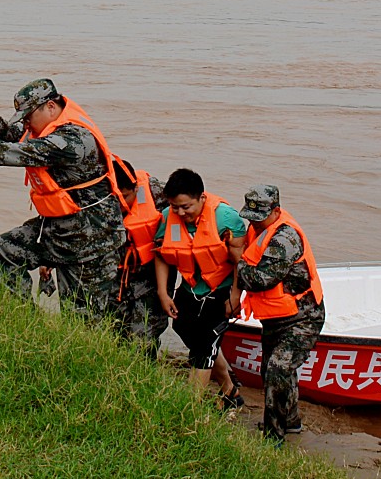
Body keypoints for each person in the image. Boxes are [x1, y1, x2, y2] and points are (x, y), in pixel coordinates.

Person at [0, 79, 128, 324]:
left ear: (50, 106)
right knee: (4, 251)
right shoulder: (48, 130)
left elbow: (16, 152)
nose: (26, 123)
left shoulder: (73, 140)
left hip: (91, 238)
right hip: (58, 228)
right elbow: (17, 137)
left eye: (28, 116)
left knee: (83, 321)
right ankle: (20, 322)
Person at [232, 185, 325, 445]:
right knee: (272, 371)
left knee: (278, 368)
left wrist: (236, 260)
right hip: (276, 316)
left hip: (303, 317)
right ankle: (292, 420)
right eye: (250, 216)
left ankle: (274, 437)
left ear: (275, 211)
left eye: (259, 217)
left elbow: (260, 279)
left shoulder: (285, 238)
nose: (254, 222)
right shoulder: (258, 227)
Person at [153, 168, 246, 408]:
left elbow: (241, 262)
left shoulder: (225, 218)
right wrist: (164, 292)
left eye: (186, 206)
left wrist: (235, 296)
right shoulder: (167, 217)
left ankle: (189, 409)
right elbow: (163, 255)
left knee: (205, 347)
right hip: (190, 289)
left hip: (221, 291)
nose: (181, 213)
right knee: (184, 329)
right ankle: (229, 388)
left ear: (201, 198)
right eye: (175, 207)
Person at [114, 159, 170, 359]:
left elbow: (191, 205)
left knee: (143, 338)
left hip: (152, 274)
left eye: (125, 196)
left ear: (135, 189)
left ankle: (145, 376)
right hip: (118, 276)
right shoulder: (97, 193)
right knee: (115, 332)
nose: (119, 203)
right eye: (114, 197)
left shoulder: (157, 192)